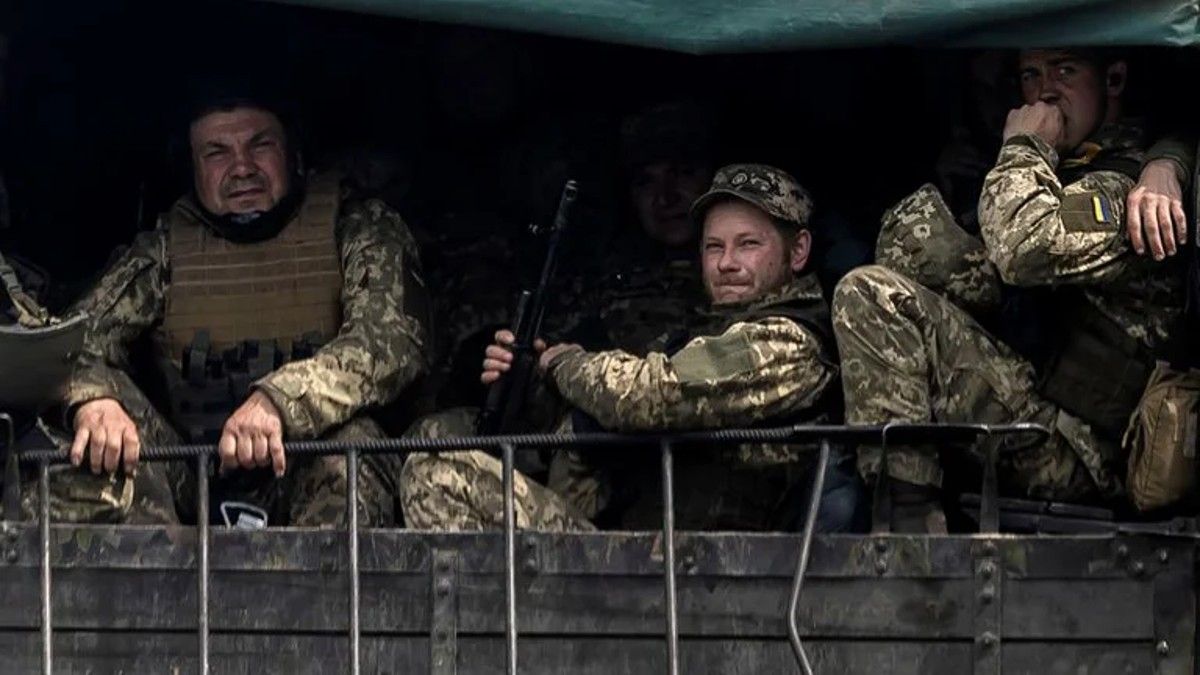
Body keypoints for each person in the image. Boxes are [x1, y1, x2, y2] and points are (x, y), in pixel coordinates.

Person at [401, 164, 867, 533]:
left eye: (748, 245)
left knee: (438, 473)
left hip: (707, 572)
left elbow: (654, 392)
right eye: (713, 247)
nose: (727, 263)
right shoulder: (707, 332)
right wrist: (530, 382)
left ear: (798, 251)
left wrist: (563, 364)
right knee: (436, 439)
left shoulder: (788, 340)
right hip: (646, 557)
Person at [833, 48, 1182, 533]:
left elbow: (1023, 249)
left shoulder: (1132, 186)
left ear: (1114, 80)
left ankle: (909, 527)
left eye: (1065, 70)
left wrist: (1024, 146)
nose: (1046, 91)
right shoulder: (1060, 172)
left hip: (1084, 449)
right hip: (1042, 415)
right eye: (1031, 75)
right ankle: (907, 511)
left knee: (871, 294)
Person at [62, 92, 431, 526]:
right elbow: (70, 342)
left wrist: (280, 401)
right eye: (217, 153)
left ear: (293, 155)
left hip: (305, 467)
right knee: (103, 430)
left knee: (350, 446)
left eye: (261, 145)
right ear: (194, 170)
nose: (242, 168)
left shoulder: (355, 226)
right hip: (195, 478)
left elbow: (392, 343)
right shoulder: (164, 251)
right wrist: (95, 400)